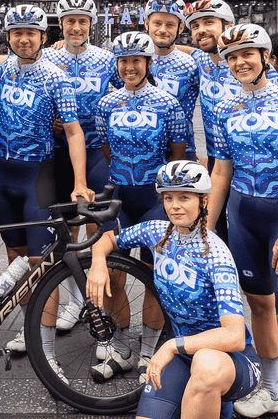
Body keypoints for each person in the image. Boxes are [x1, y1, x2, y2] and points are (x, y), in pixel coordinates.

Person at [207, 24, 278, 419]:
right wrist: (206, 229)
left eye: (247, 54)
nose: (240, 62)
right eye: (232, 57)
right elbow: (221, 172)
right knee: (258, 306)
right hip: (243, 219)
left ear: (265, 57)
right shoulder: (224, 108)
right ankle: (271, 389)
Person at [87, 161, 260, 419]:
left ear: (203, 201)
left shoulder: (217, 255)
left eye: (184, 197)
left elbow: (234, 336)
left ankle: (217, 399)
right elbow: (108, 239)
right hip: (183, 356)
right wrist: (98, 263)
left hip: (230, 361)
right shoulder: (156, 232)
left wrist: (170, 346)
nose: (174, 205)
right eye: (168, 197)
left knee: (206, 363)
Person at [0, 4, 93, 372]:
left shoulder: (56, 77)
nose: (23, 39)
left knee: (40, 264)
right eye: (16, 33)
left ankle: (47, 351)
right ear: (7, 37)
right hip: (2, 178)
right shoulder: (0, 68)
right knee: (17, 261)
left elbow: (73, 131)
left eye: (30, 33)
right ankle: (27, 330)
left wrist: (80, 183)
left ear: (43, 37)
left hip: (38, 177)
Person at [94, 31, 187, 381]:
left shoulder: (167, 103)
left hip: (153, 199)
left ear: (148, 64)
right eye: (123, 61)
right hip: (119, 197)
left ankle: (149, 352)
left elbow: (176, 155)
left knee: (153, 277)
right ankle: (118, 346)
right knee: (114, 275)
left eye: (136, 61)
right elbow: (107, 152)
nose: (129, 67)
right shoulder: (106, 104)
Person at [43, 0, 121, 332]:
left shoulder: (107, 59)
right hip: (59, 151)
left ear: (92, 24)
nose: (76, 27)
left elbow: (127, 91)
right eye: (70, 21)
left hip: (95, 152)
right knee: (66, 228)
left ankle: (95, 301)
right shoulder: (44, 57)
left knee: (95, 228)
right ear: (60, 24)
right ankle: (75, 300)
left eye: (83, 21)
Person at [142, 0, 200, 161]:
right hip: (140, 149)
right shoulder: (133, 61)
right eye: (157, 23)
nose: (162, 30)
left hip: (182, 148)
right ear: (147, 24)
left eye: (170, 25)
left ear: (180, 28)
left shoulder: (192, 64)